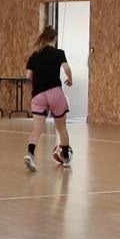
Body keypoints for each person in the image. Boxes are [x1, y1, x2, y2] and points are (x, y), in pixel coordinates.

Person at [25, 25, 72, 171]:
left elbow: (28, 76)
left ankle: (29, 154)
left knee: (37, 128)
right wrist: (70, 79)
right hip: (55, 93)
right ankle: (65, 157)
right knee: (61, 127)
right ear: (54, 38)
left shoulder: (34, 55)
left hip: (38, 95)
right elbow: (66, 68)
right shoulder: (58, 53)